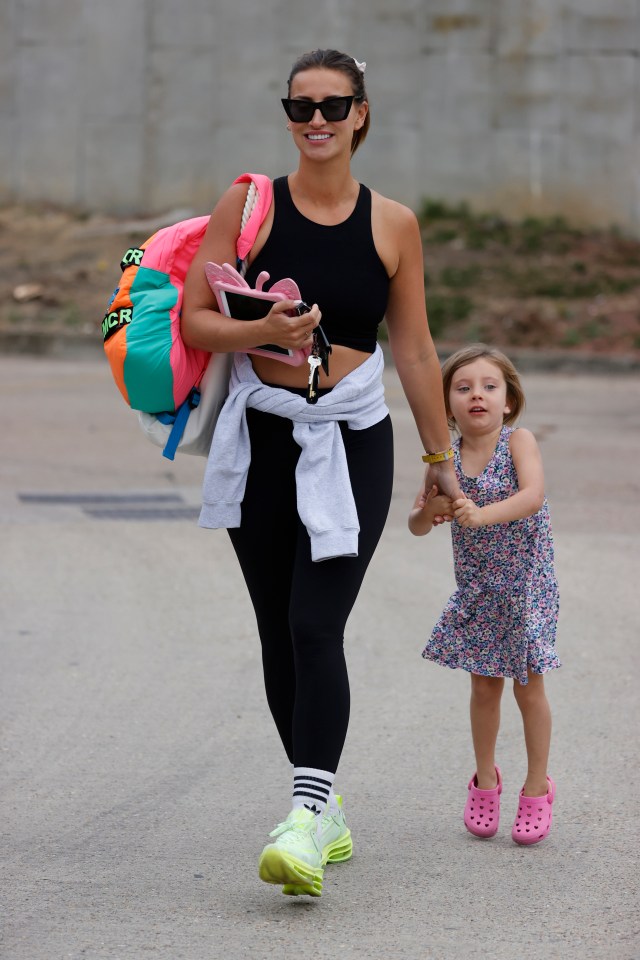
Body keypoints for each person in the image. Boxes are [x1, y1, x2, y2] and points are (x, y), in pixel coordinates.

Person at [182, 48, 460, 897]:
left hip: (352, 439)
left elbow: (411, 346)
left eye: (334, 106)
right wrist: (271, 332)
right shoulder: (251, 203)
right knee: (278, 632)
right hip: (263, 436)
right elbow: (197, 319)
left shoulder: (394, 224)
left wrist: (441, 459)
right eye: (299, 106)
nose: (315, 121)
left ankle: (304, 820)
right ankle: (326, 806)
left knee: (315, 625)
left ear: (361, 114)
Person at [409, 344, 560, 845]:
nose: (477, 395)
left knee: (528, 686)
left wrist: (481, 514)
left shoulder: (520, 441)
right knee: (483, 687)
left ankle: (537, 786)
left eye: (489, 387)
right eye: (463, 387)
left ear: (508, 401)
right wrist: (428, 513)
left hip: (526, 588)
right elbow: (416, 524)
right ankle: (486, 779)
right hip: (479, 590)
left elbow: (532, 495)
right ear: (447, 405)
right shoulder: (443, 459)